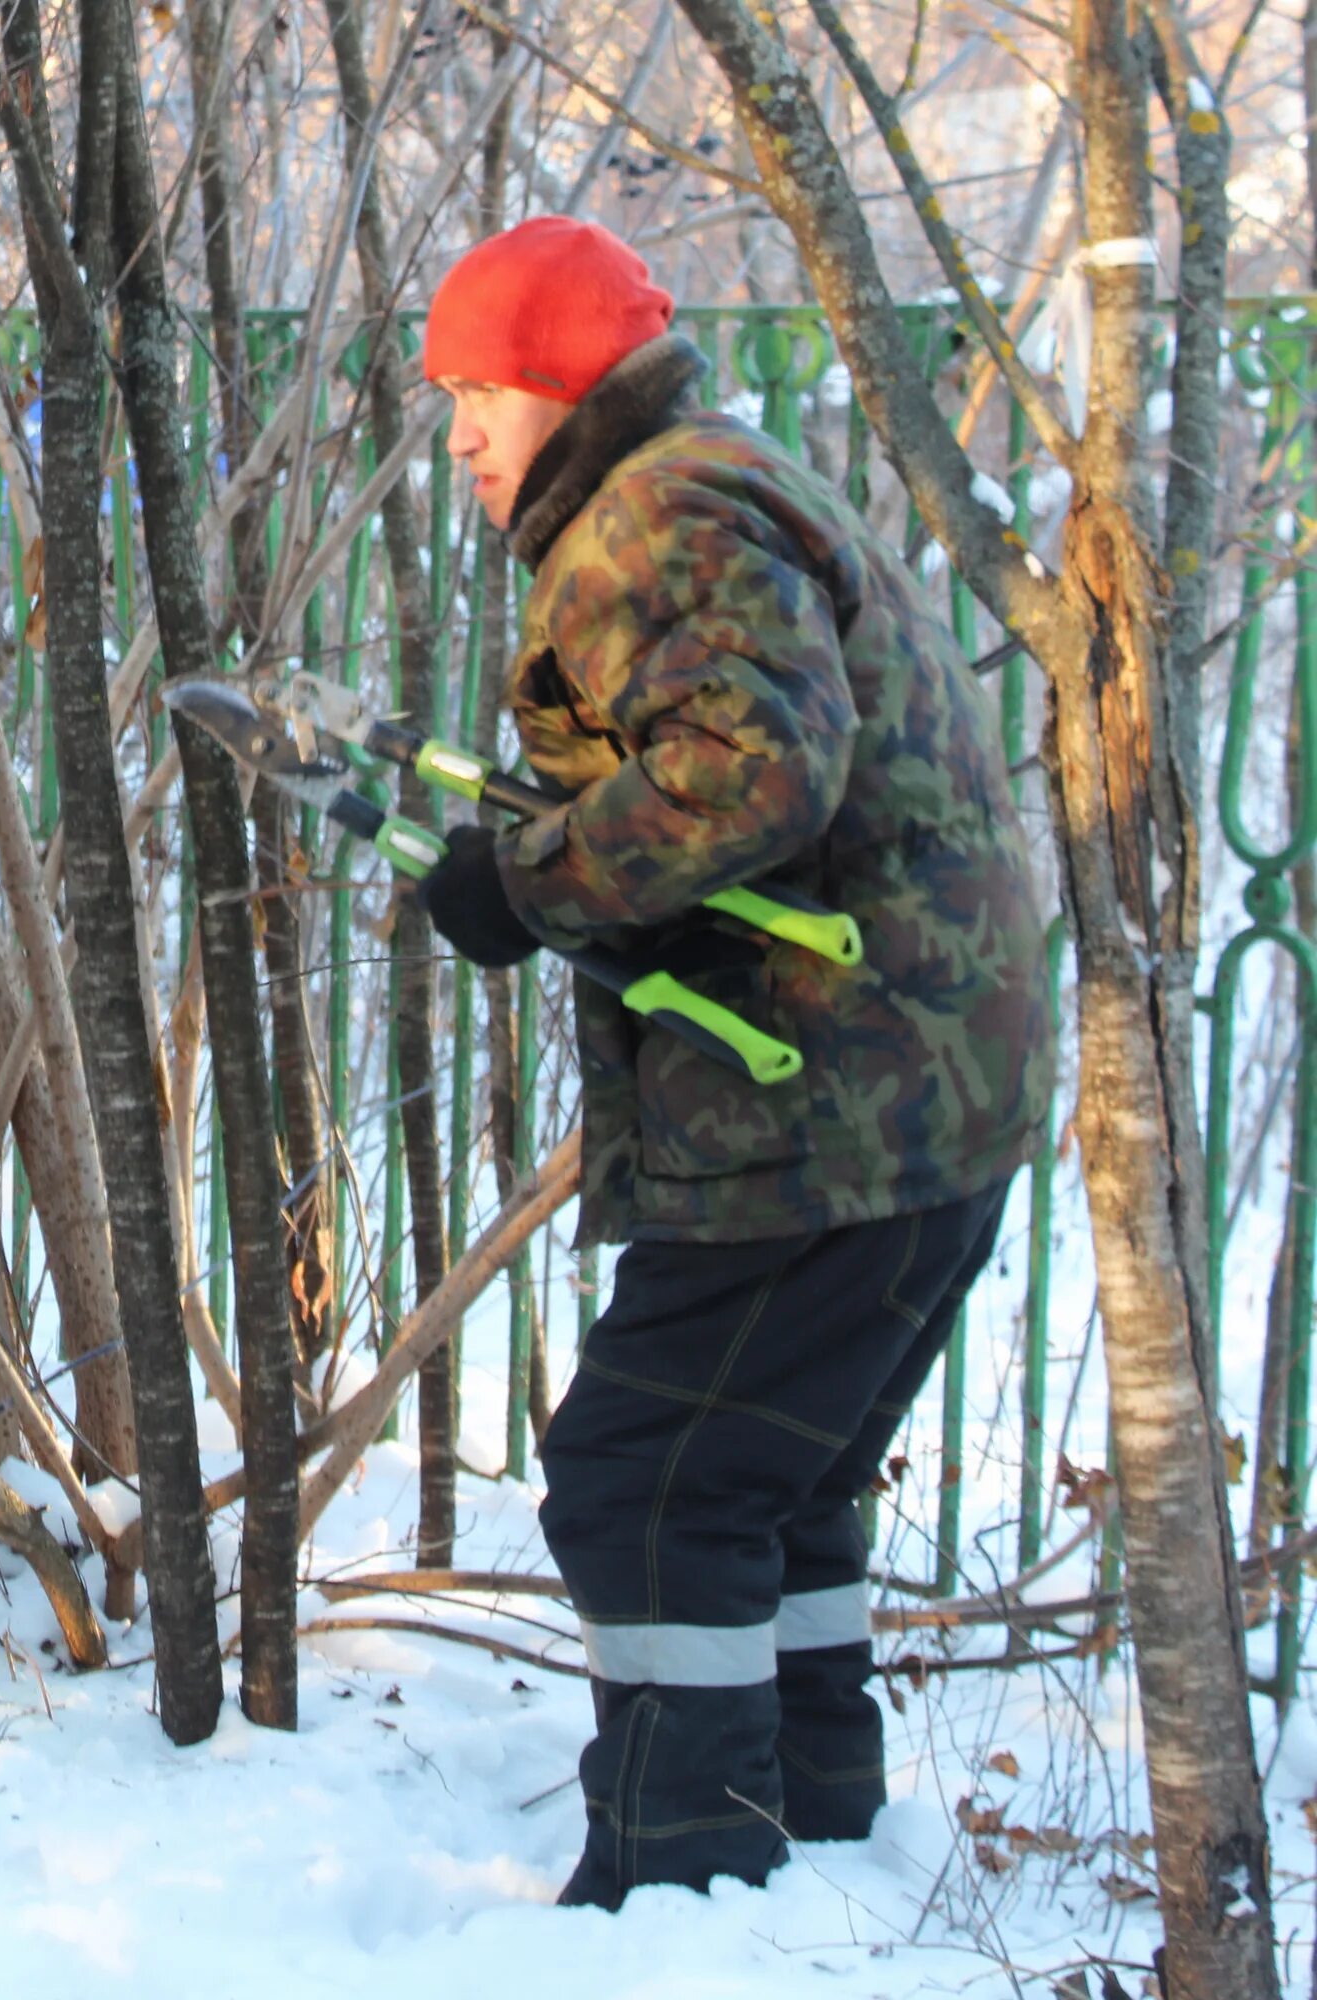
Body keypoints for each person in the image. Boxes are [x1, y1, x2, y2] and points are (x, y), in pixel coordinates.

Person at [410, 217, 1055, 1908]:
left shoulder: (650, 516)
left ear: (564, 386)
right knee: (777, 1477)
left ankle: (683, 1886)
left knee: (648, 1474)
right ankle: (821, 1840)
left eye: (482, 391)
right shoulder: (717, 475)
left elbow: (758, 766)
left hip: (831, 1106)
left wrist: (534, 878)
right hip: (924, 1093)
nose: (461, 431)